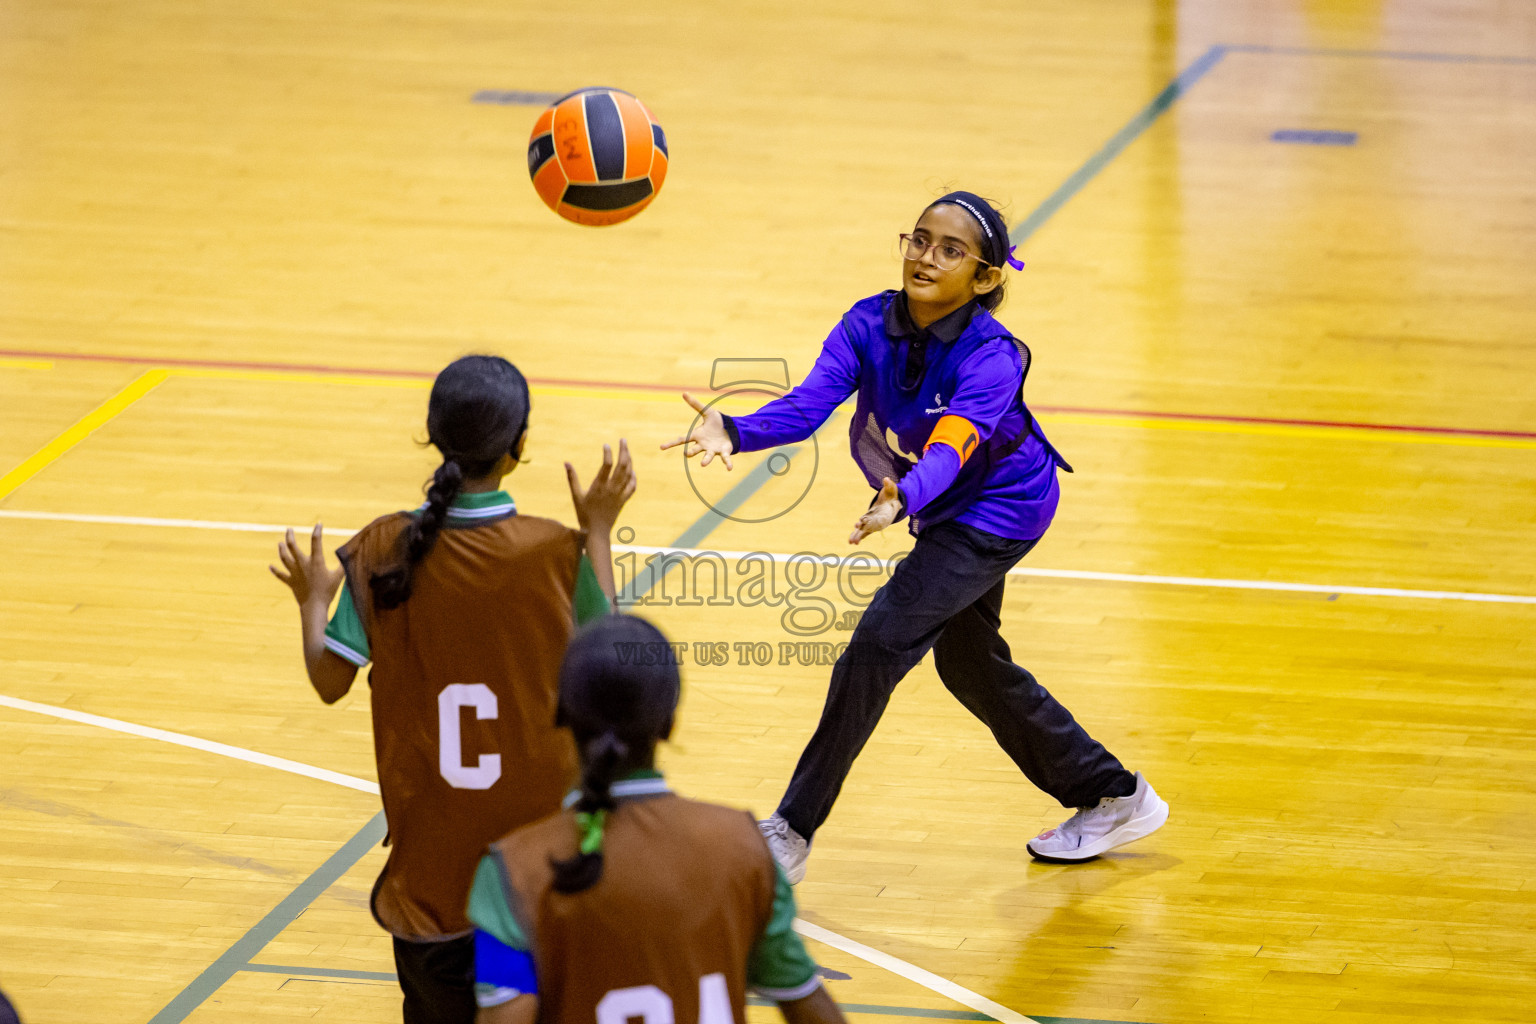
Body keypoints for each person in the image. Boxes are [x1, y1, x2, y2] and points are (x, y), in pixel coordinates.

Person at [662, 191, 1168, 881]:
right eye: (920, 239)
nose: (926, 257)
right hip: (937, 506)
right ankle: (1111, 794)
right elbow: (810, 404)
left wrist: (904, 500)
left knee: (877, 644)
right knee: (969, 665)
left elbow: (953, 446)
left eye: (951, 250)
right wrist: (736, 430)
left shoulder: (993, 356)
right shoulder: (866, 322)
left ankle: (791, 832)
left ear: (985, 277)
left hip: (998, 509)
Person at [270, 354, 635, 1024]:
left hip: (433, 887)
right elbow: (612, 667)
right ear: (520, 446)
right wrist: (602, 535)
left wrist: (310, 602)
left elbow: (329, 683)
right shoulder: (552, 553)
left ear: (433, 438)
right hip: (535, 882)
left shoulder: (383, 551)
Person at [466, 614, 845, 1024]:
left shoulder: (510, 872)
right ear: (669, 723)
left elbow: (507, 1016)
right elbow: (806, 1001)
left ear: (560, 715)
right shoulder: (743, 849)